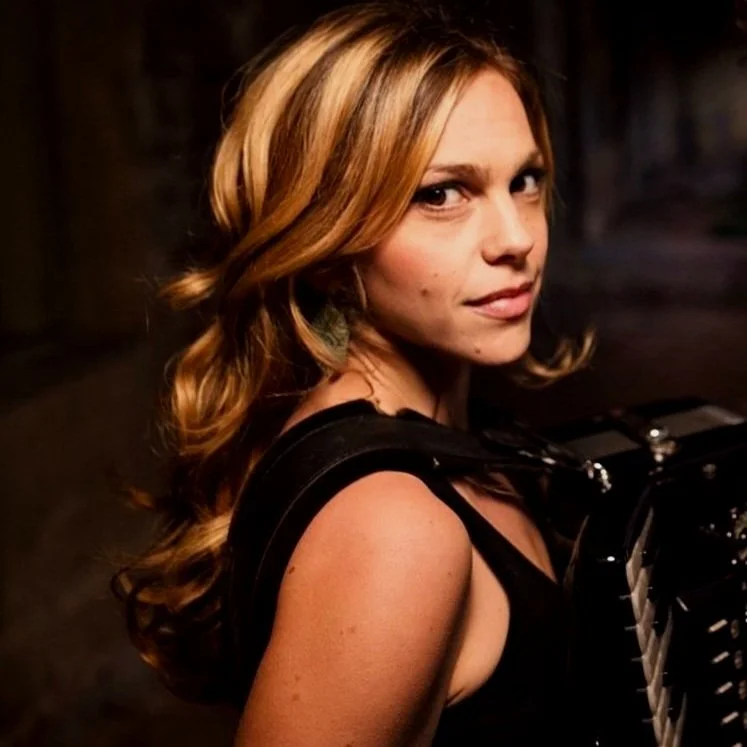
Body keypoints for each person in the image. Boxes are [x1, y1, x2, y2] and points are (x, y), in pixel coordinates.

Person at [113, 2, 593, 744]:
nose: (516, 238)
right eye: (441, 194)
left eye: (524, 180)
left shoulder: (436, 448)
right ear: (327, 242)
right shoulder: (393, 529)